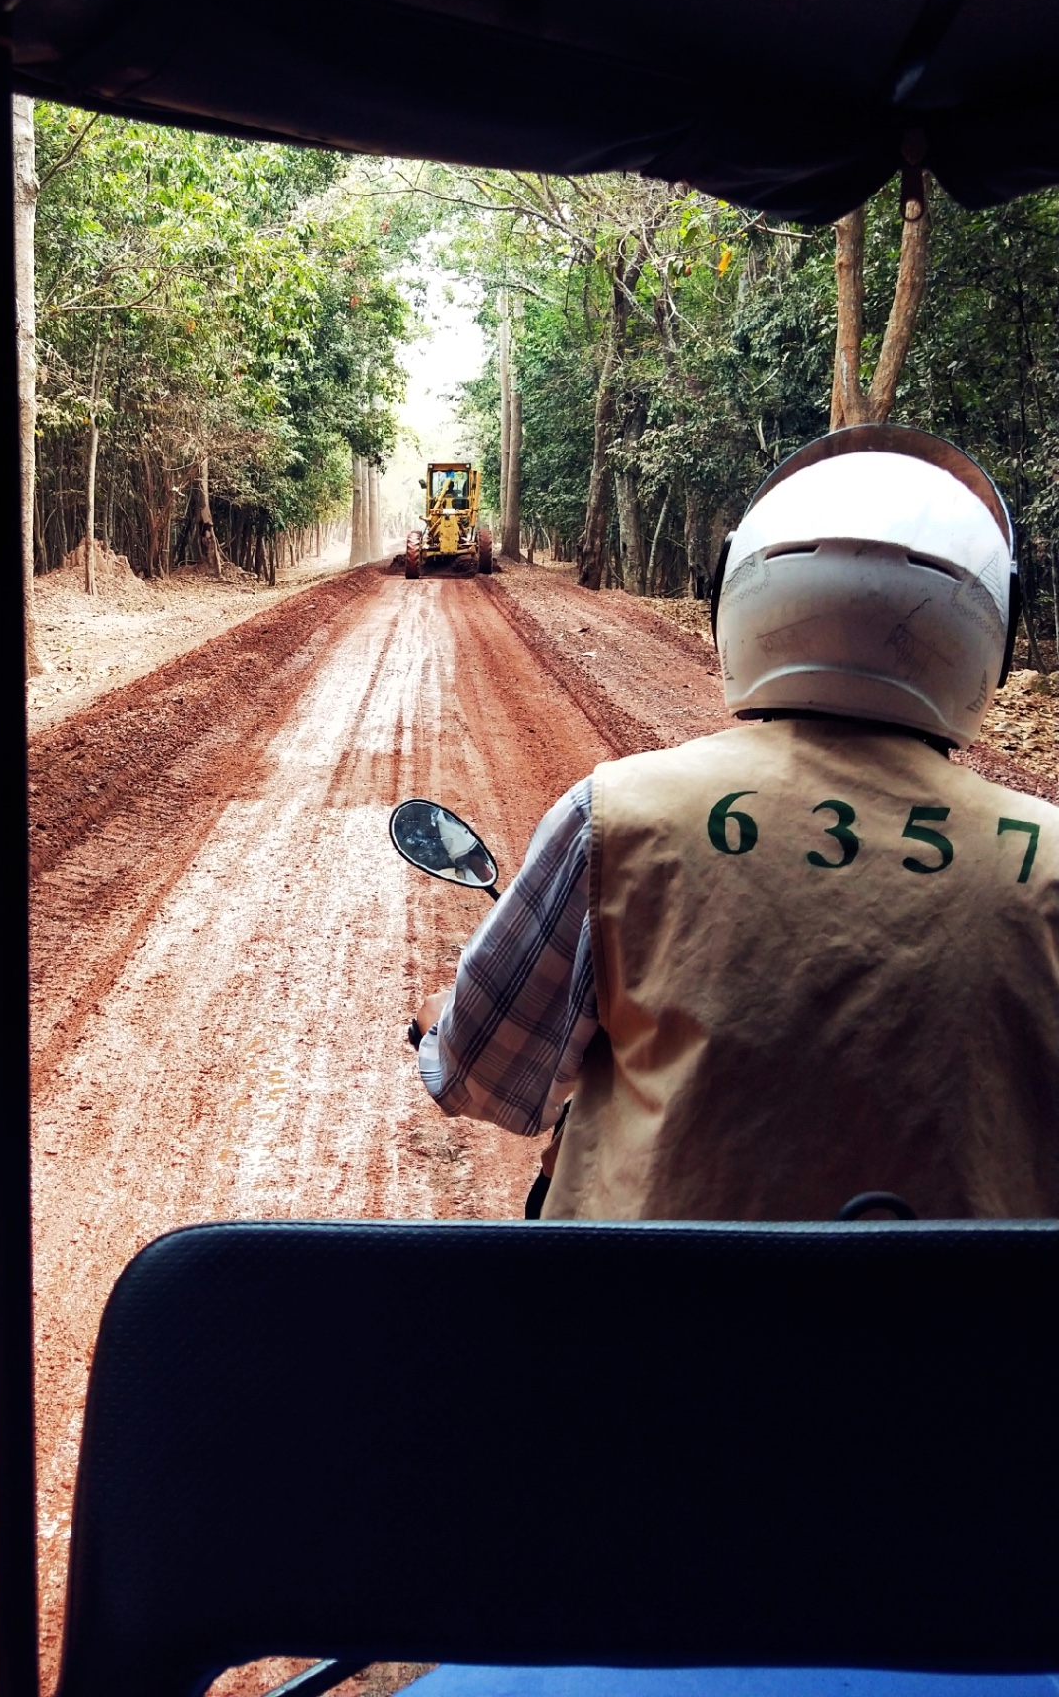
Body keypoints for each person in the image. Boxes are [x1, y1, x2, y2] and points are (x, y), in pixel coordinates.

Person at [412, 425, 1059, 1220]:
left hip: (668, 1332)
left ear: (738, 597)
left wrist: (443, 1028)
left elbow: (477, 1076)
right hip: (977, 1338)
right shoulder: (1048, 858)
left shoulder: (615, 816)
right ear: (989, 631)